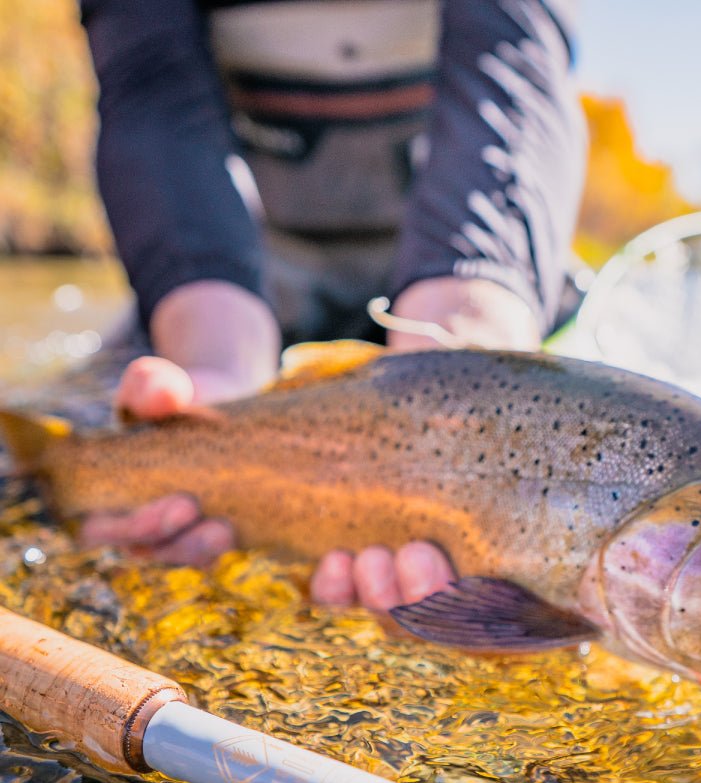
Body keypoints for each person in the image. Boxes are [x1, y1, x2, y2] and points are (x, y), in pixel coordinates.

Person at [78, 0, 585, 610]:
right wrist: (213, 359)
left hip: (473, 292)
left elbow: (511, 73)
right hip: (232, 286)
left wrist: (470, 355)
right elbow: (151, 88)